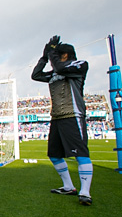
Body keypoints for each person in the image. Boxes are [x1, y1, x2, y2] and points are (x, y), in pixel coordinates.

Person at [31, 35, 92, 206]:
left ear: (65, 55)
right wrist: (44, 57)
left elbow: (60, 66)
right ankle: (68, 186)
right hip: (56, 117)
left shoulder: (79, 65)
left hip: (73, 115)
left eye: (57, 55)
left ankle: (85, 192)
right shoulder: (55, 73)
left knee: (81, 154)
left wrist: (52, 54)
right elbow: (36, 75)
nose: (53, 60)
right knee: (54, 155)